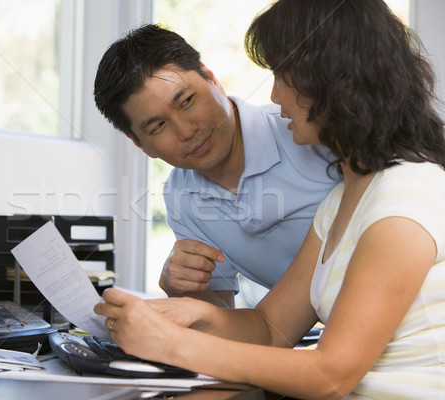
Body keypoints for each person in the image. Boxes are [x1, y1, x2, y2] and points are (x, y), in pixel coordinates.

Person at [94, 0, 445, 398]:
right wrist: (192, 311)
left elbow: (331, 374)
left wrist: (171, 343)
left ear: (333, 82)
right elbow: (269, 327)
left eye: (283, 77)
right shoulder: (342, 198)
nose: (275, 96)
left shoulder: (405, 191)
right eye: (158, 125)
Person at [93, 24, 338, 308]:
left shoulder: (308, 133)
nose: (186, 131)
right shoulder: (181, 197)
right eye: (158, 126)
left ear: (211, 78)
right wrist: (180, 288)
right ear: (140, 144)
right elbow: (223, 320)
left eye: (187, 101)